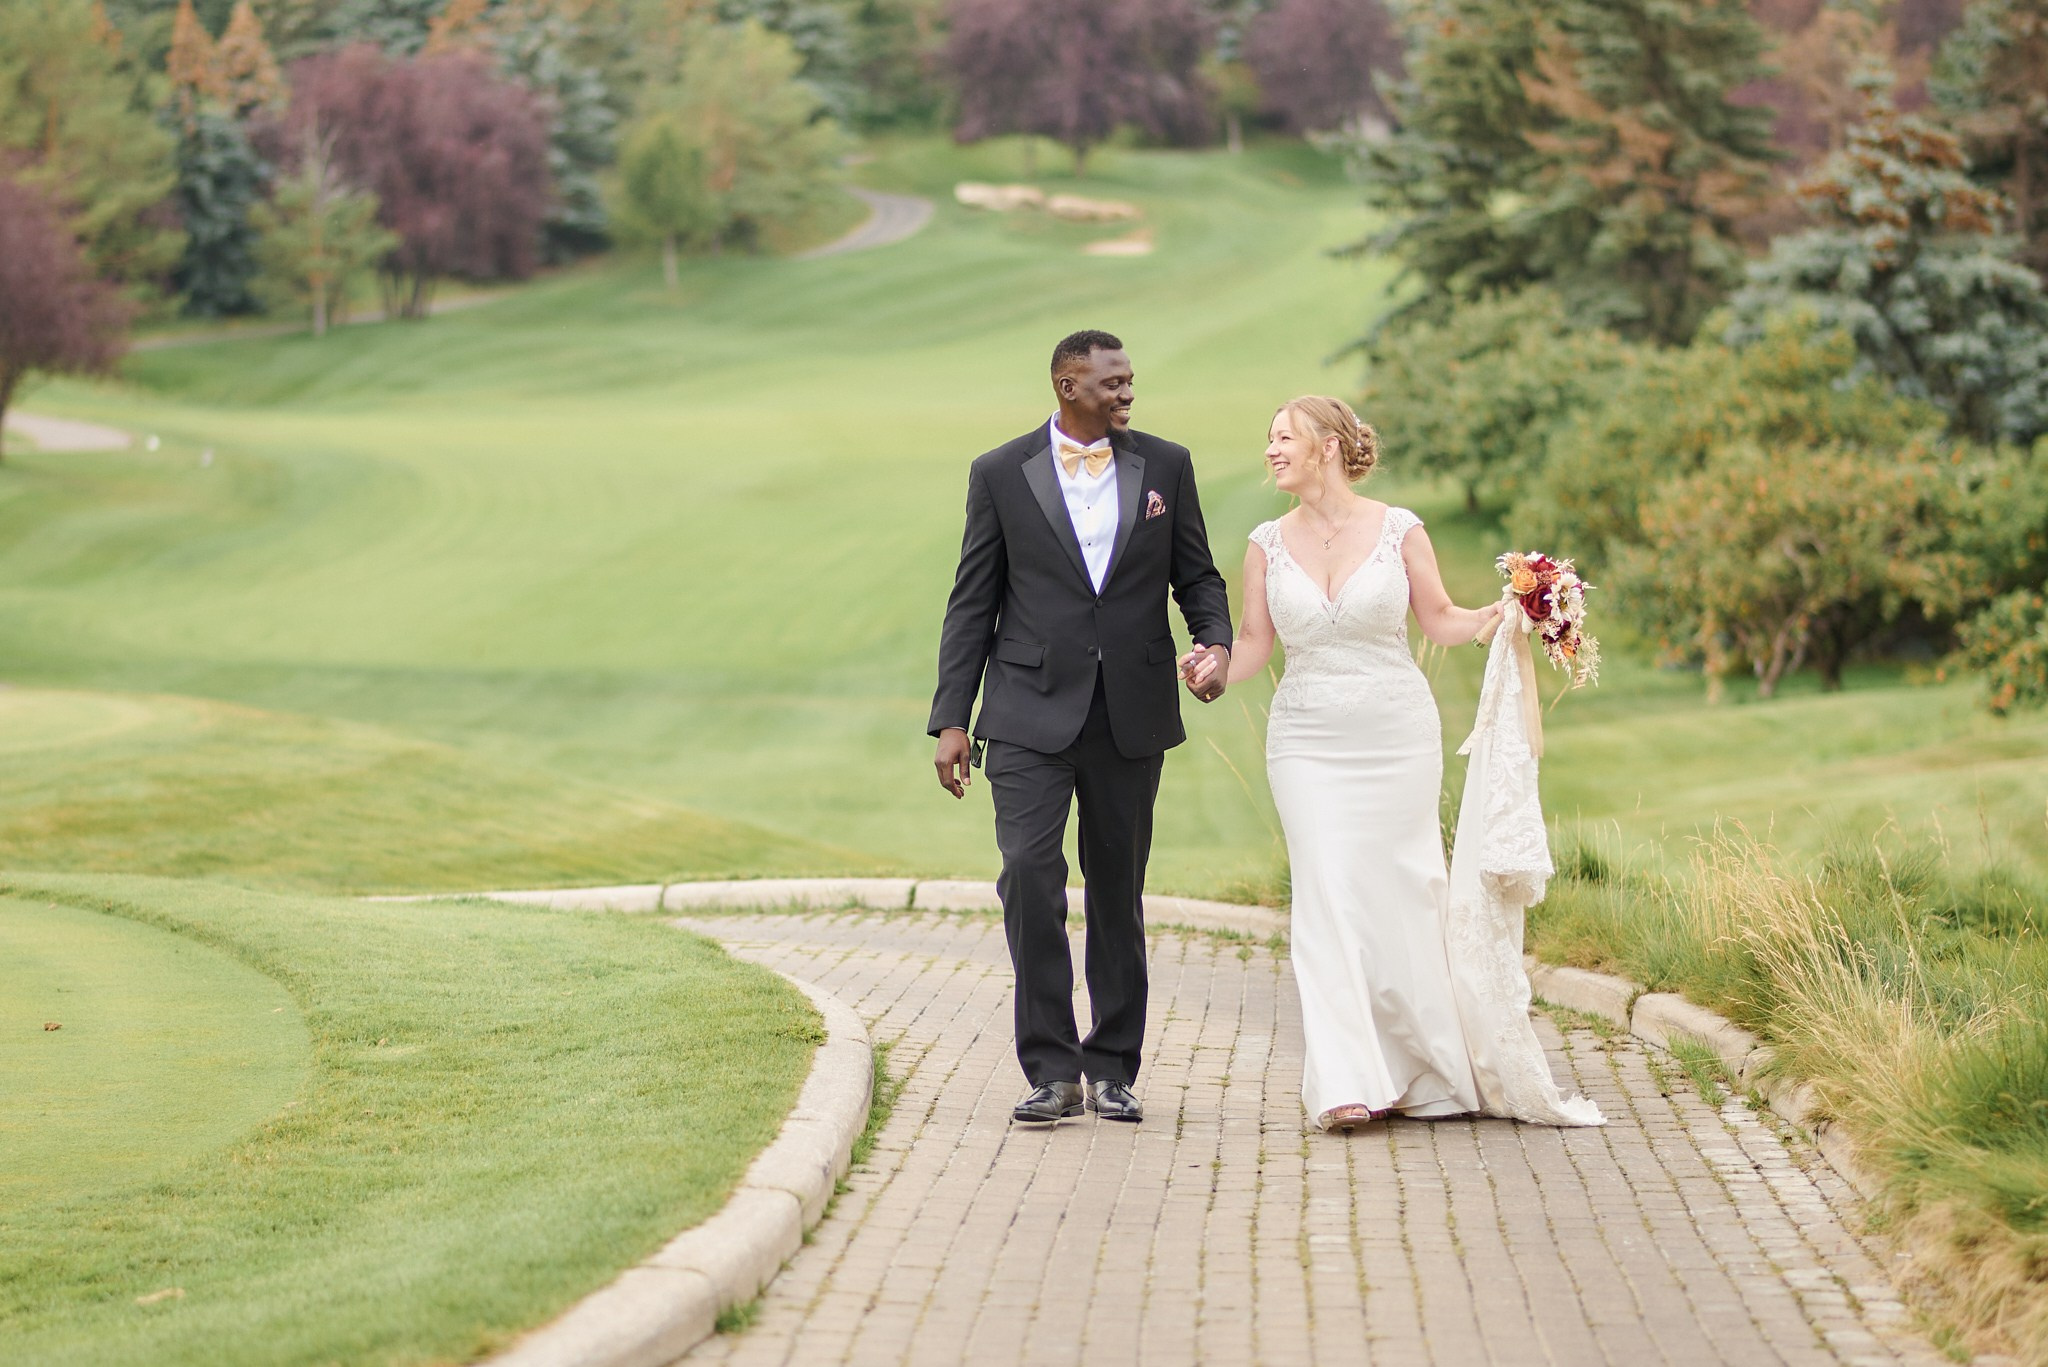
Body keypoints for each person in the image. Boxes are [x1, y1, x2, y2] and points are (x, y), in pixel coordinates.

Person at [929, 330, 1233, 1126]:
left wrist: (1215, 645)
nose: (1127, 393)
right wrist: (951, 717)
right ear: (1068, 384)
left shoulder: (1166, 465)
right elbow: (972, 601)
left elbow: (1196, 573)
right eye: (1112, 382)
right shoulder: (1000, 472)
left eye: (1130, 380)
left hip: (1129, 710)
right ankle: (1052, 1070)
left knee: (1116, 890)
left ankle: (1112, 1068)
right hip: (1028, 711)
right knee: (1029, 874)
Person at [1183, 397, 1501, 1130]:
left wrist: (1505, 612)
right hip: (1306, 742)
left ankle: (1423, 1069)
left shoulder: (1400, 529)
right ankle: (1345, 1079)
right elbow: (1257, 644)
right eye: (1268, 439)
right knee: (1325, 895)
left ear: (1327, 446)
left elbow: (1441, 619)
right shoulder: (1265, 542)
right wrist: (1212, 667)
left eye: (1283, 438)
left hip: (1396, 736)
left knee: (1404, 891)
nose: (1271, 450)